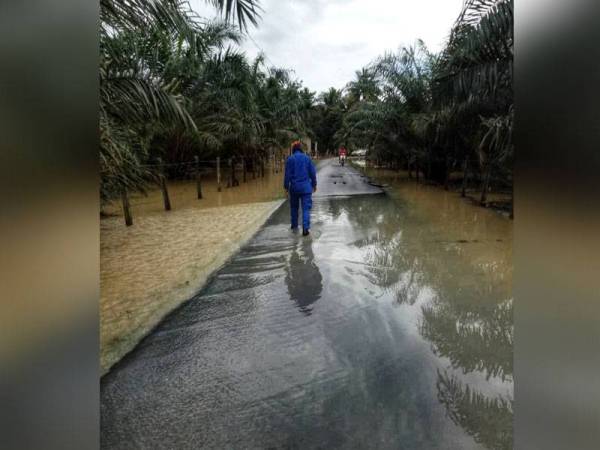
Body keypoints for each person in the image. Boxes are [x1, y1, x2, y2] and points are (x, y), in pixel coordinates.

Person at [284, 141, 317, 236]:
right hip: (306, 188)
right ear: (301, 149)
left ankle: (294, 227)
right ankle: (305, 229)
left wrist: (286, 188)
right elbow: (313, 173)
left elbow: (287, 176)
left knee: (294, 208)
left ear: (293, 150)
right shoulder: (307, 159)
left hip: (294, 188)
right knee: (306, 208)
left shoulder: (290, 159)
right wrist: (314, 185)